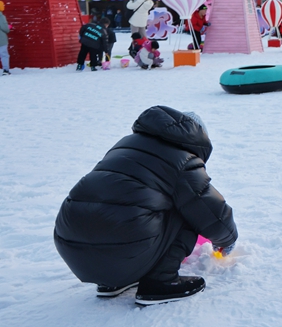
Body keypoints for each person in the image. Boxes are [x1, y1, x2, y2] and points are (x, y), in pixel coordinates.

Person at [53, 106, 237, 305]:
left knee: (143, 204)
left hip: (72, 245)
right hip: (123, 248)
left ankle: (115, 282)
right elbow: (210, 210)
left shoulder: (124, 145)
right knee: (190, 209)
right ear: (196, 136)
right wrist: (227, 240)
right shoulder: (182, 159)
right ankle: (160, 283)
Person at [0, 0, 10, 75]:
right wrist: (8, 27)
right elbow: (5, 28)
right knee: (4, 55)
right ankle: (6, 70)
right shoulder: (1, 16)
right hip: (1, 39)